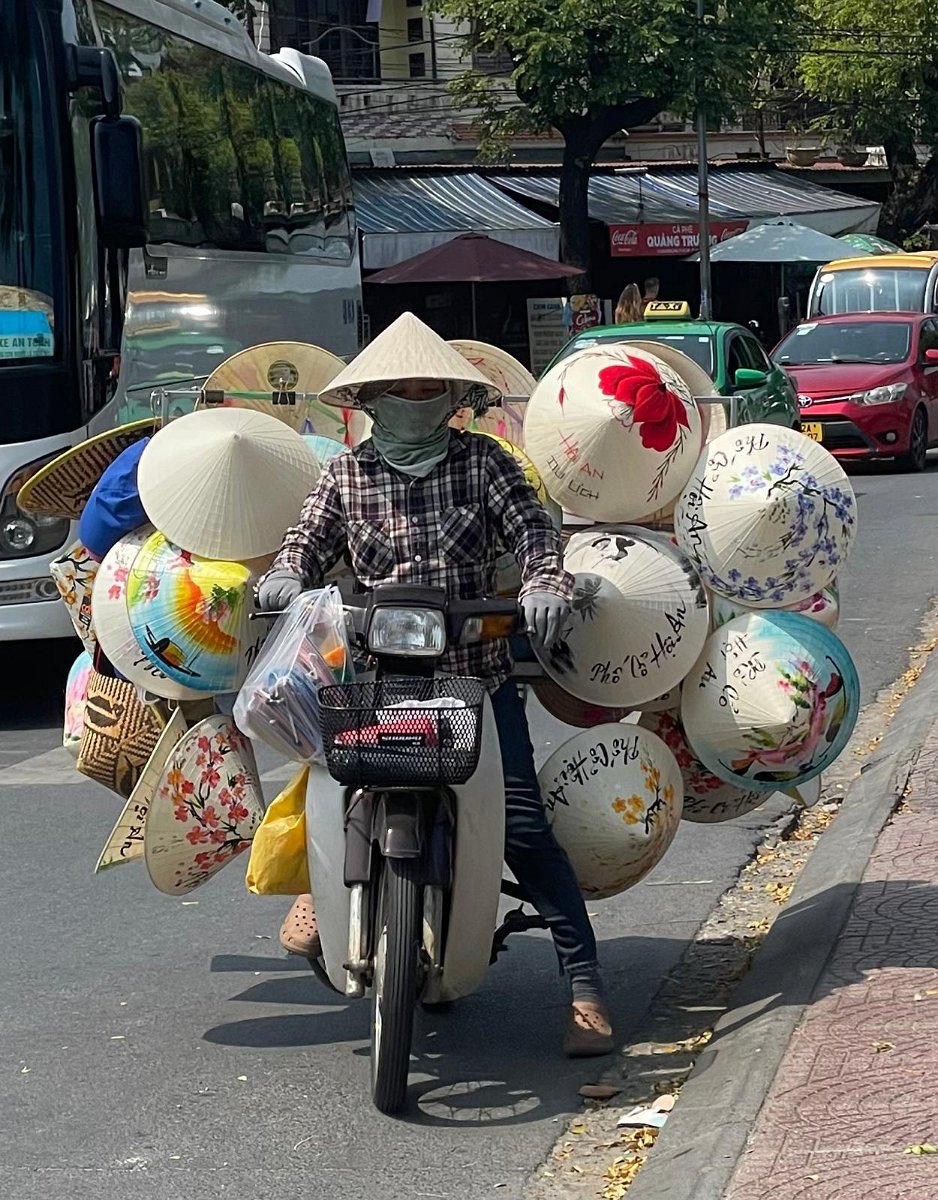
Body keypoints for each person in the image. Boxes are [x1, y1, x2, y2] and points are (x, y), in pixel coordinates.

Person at [257, 312, 612, 1057]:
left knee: (522, 827)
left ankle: (584, 986)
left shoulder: (484, 464)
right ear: (372, 398)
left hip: (475, 679)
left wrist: (545, 581)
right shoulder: (346, 475)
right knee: (330, 790)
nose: (416, 400)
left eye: (430, 389)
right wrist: (287, 574)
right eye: (402, 389)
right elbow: (305, 541)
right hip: (376, 680)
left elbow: (534, 533)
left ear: (452, 397)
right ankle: (322, 895)